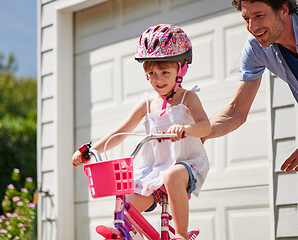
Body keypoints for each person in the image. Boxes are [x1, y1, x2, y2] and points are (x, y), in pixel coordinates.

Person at [72, 24, 211, 240]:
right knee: (126, 205)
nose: (159, 79)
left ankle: (182, 235)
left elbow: (206, 126)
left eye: (165, 72)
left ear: (180, 69)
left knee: (172, 175)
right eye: (152, 73)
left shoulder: (188, 98)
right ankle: (124, 233)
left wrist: (186, 129)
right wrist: (90, 150)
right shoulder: (145, 104)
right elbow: (120, 132)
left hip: (186, 164)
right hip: (154, 169)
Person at [204, 0, 298, 173]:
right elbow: (236, 111)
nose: (252, 27)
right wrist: (201, 131)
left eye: (259, 16)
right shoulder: (255, 48)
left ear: (284, 8)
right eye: (246, 18)